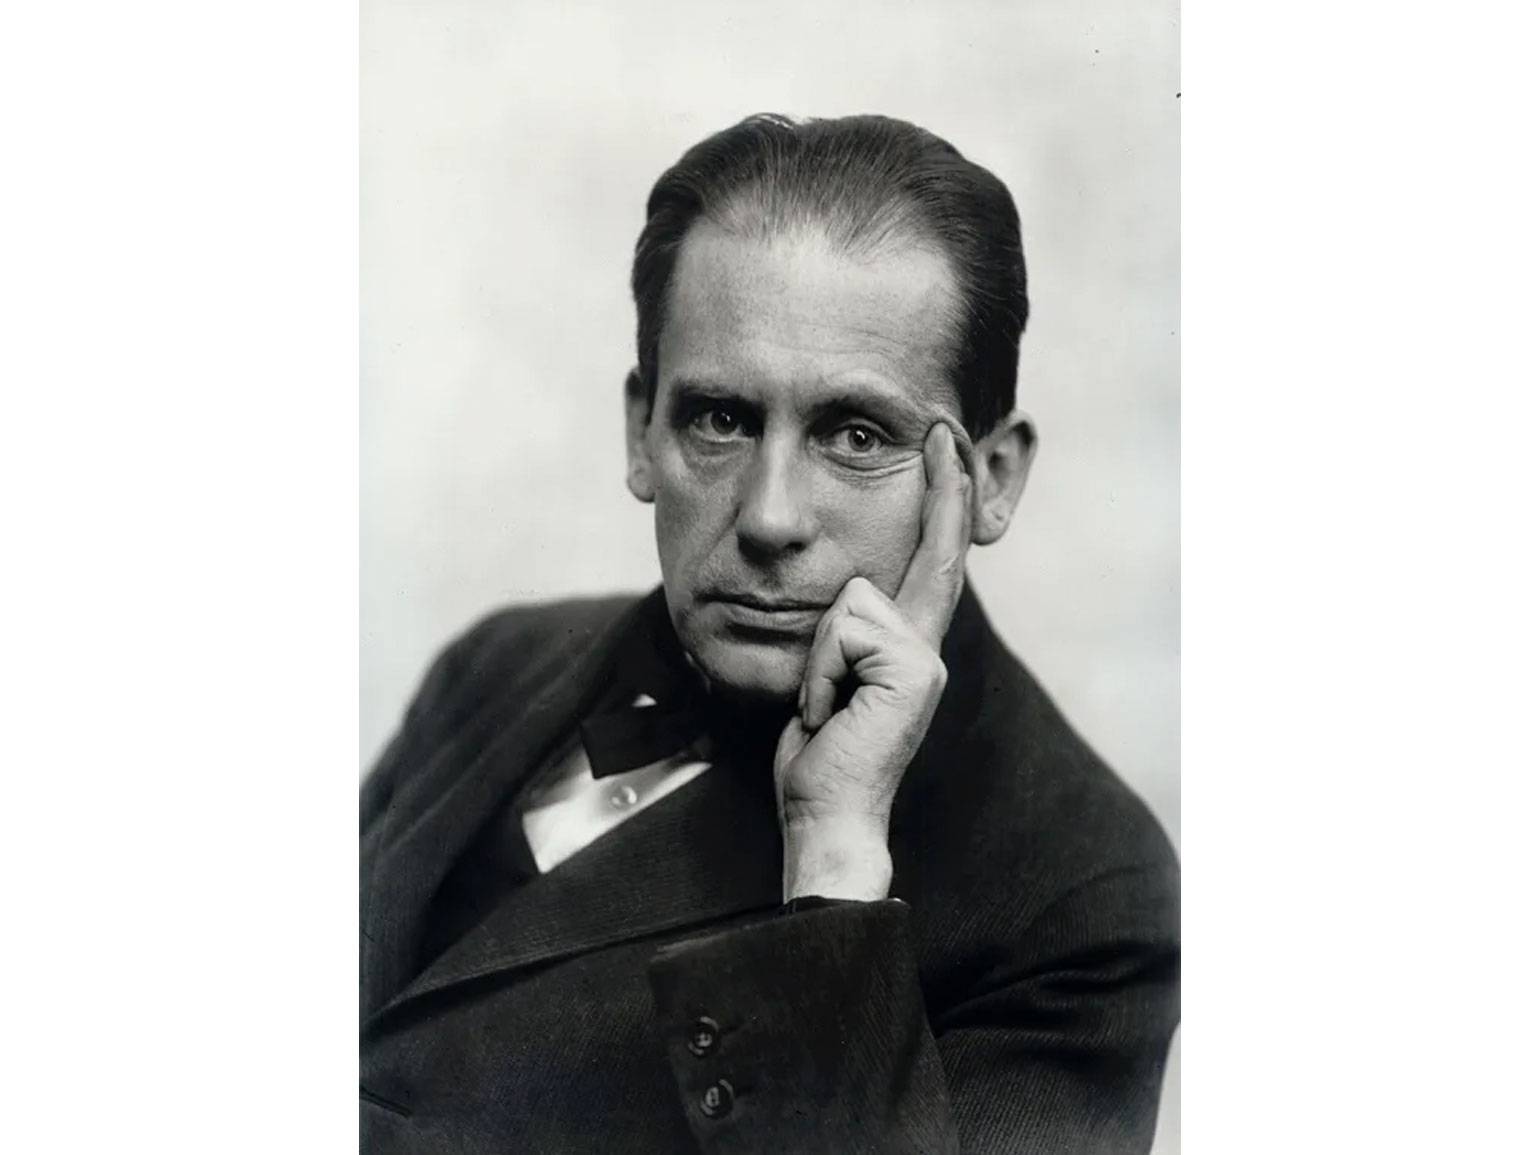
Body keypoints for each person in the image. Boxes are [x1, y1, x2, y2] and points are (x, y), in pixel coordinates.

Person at [360, 113, 1179, 1153]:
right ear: (640, 431)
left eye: (856, 435)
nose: (769, 517)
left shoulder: (1083, 899)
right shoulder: (497, 664)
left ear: (991, 480)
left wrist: (833, 857)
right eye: (720, 419)